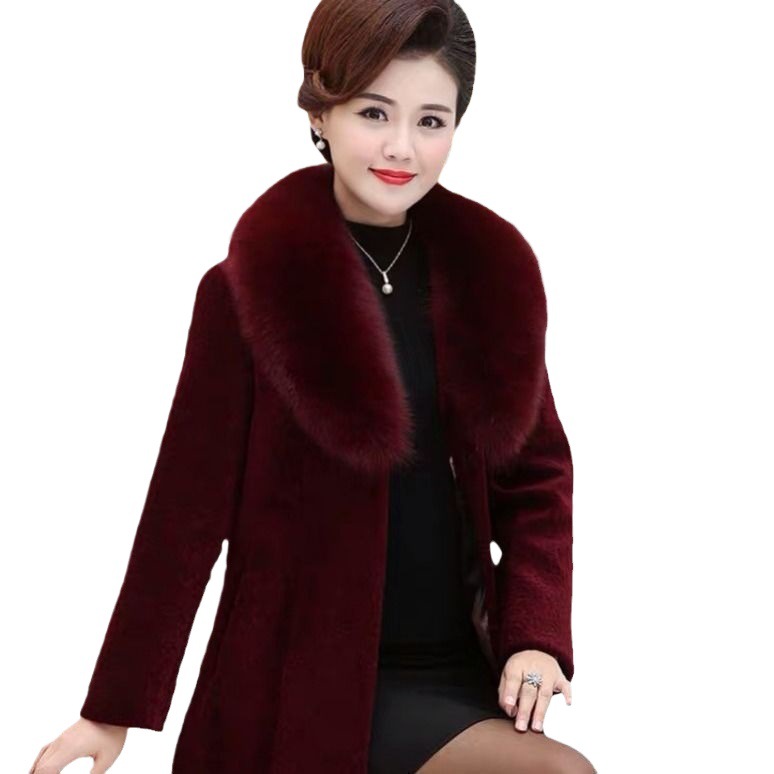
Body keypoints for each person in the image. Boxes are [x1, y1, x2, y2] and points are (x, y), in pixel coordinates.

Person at [29, 1, 597, 772]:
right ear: (320, 112)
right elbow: (183, 515)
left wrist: (536, 636)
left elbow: (538, 478)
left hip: (462, 673)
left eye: (431, 121)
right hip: (305, 682)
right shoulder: (248, 291)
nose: (401, 147)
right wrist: (113, 709)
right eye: (374, 112)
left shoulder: (489, 278)